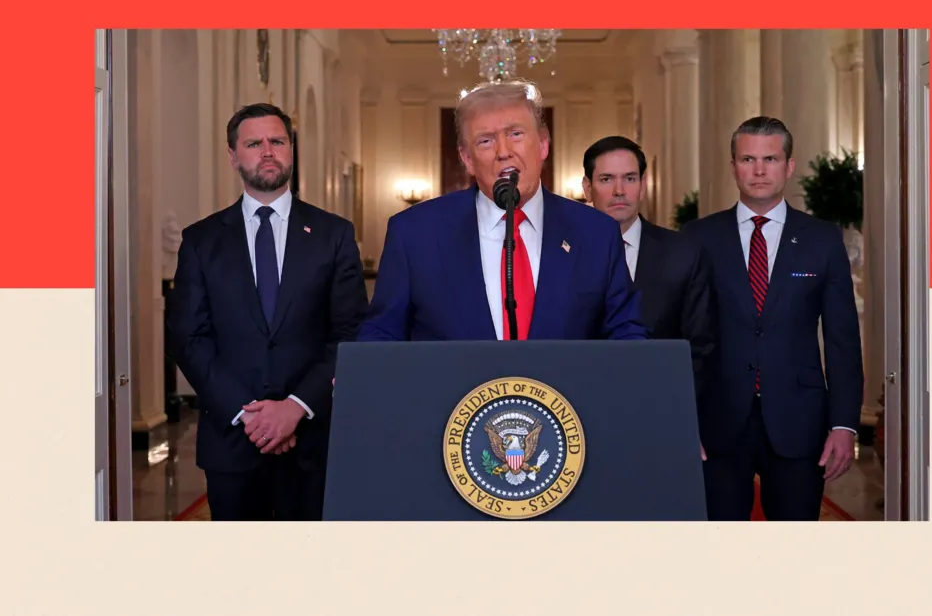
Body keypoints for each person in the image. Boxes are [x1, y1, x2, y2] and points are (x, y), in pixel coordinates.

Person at [168, 103, 368, 521]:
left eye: (277, 141)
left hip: (313, 441)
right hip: (232, 441)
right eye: (254, 143)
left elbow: (350, 333)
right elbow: (188, 338)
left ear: (291, 149)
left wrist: (294, 407)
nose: (267, 151)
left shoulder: (333, 234)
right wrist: (250, 415)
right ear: (233, 155)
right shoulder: (202, 241)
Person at [357, 80, 646, 342]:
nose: (503, 151)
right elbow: (382, 332)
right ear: (467, 159)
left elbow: (625, 332)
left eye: (516, 134)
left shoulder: (596, 232)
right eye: (486, 140)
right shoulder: (414, 233)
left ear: (543, 145)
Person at [686, 116, 863, 521]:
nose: (759, 170)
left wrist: (844, 425)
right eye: (748, 158)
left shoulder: (822, 239)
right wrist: (683, 419)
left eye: (770, 158)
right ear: (733, 166)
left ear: (789, 165)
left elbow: (842, 340)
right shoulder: (699, 237)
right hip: (718, 422)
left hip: (799, 421)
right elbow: (686, 337)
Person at [581, 135, 715, 402]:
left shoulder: (683, 253)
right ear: (587, 187)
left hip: (661, 406)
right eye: (606, 179)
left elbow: (700, 349)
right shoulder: (563, 254)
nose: (619, 190)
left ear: (642, 185)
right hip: (579, 409)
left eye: (629, 179)